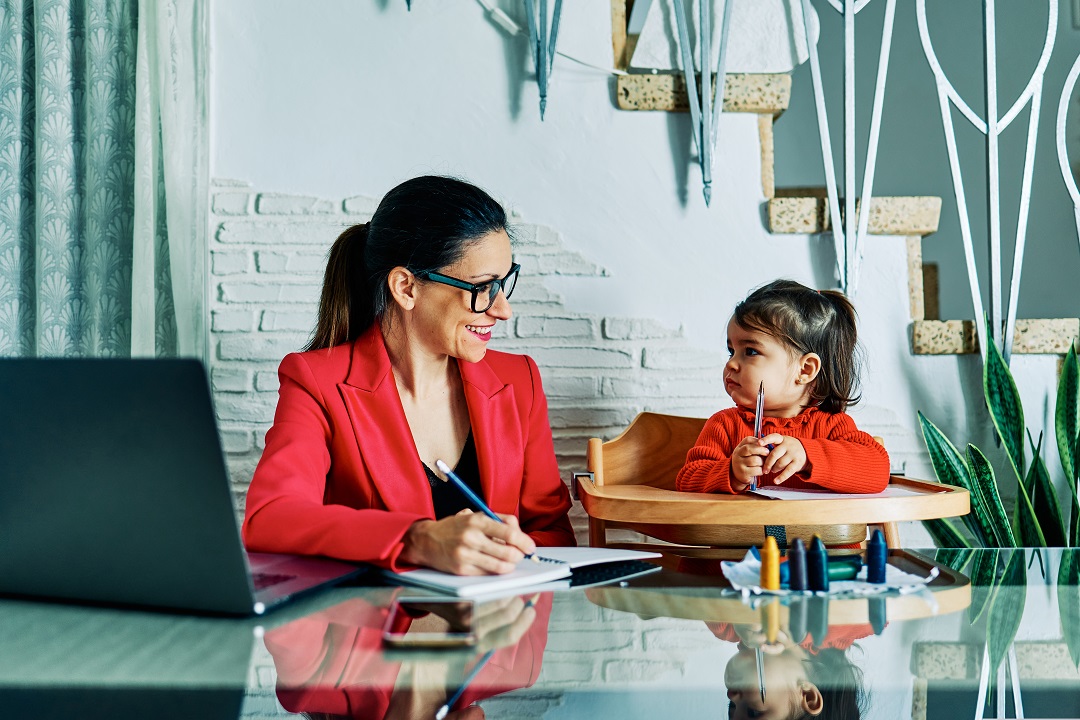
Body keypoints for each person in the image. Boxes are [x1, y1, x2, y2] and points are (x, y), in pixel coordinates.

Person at [242, 175, 575, 575]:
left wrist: (505, 558)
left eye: (504, 283)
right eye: (483, 287)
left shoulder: (520, 380)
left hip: (494, 630)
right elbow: (270, 519)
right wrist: (417, 539)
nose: (502, 310)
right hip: (373, 630)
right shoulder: (317, 382)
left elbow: (551, 532)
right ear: (406, 287)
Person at [676, 279, 889, 495]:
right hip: (746, 530)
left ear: (805, 370)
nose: (731, 363)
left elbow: (878, 471)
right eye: (732, 351)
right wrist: (730, 471)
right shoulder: (723, 425)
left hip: (814, 530)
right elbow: (687, 480)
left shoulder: (833, 426)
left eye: (750, 351)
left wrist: (807, 455)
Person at [718, 616, 867, 720]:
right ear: (808, 696)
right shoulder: (844, 627)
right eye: (753, 712)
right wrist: (801, 631)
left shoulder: (726, 627)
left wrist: (737, 612)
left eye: (733, 707)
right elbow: (879, 607)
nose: (731, 695)